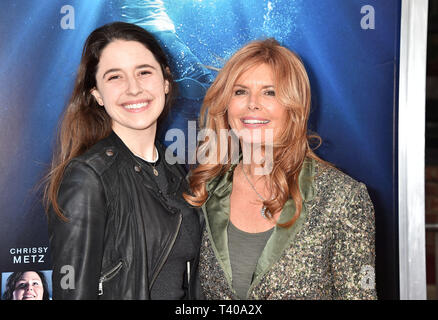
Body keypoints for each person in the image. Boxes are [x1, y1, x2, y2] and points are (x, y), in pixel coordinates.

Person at [184, 38, 377, 300]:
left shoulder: (343, 198)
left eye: (269, 92)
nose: (253, 103)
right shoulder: (203, 191)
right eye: (240, 91)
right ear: (226, 104)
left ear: (294, 106)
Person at [44, 22, 202, 300]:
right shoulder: (87, 177)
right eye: (115, 77)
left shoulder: (174, 169)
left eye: (144, 72)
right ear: (97, 95)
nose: (133, 88)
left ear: (166, 81)